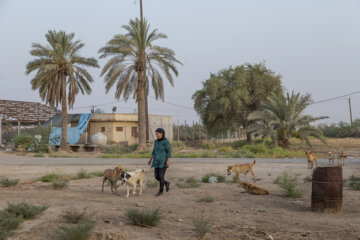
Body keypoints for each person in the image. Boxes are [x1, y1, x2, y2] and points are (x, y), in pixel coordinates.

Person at [148, 128, 171, 196]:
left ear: (161, 134)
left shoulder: (166, 142)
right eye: (156, 134)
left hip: (163, 161)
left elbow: (168, 151)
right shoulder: (156, 142)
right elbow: (154, 151)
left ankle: (160, 191)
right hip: (156, 161)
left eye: (157, 134)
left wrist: (168, 160)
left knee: (161, 176)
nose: (156, 135)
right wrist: (150, 159)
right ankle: (166, 183)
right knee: (156, 177)